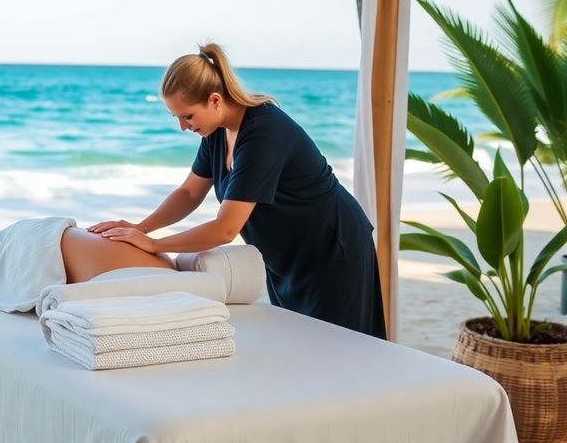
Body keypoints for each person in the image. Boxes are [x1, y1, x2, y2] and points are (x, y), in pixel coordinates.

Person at [88, 43, 386, 339]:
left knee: (340, 351)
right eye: (176, 117)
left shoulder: (264, 134)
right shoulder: (216, 133)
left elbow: (225, 229)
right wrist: (140, 228)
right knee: (301, 345)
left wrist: (154, 245)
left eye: (188, 116)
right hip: (286, 258)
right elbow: (189, 193)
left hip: (331, 250)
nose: (182, 126)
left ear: (215, 100)